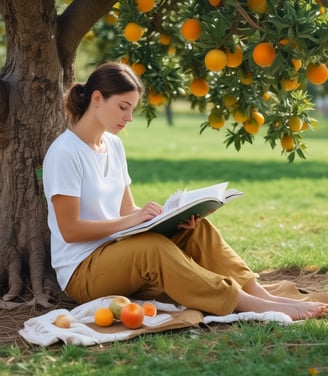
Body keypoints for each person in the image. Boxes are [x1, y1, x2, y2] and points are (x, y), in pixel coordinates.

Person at [43, 62, 327, 321]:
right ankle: (245, 302)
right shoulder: (65, 153)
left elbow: (126, 211)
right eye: (123, 107)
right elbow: (70, 230)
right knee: (152, 250)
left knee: (196, 229)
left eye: (132, 109)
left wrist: (164, 219)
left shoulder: (113, 146)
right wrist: (130, 221)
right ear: (97, 98)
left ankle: (260, 294)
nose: (129, 117)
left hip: (116, 253)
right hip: (82, 271)